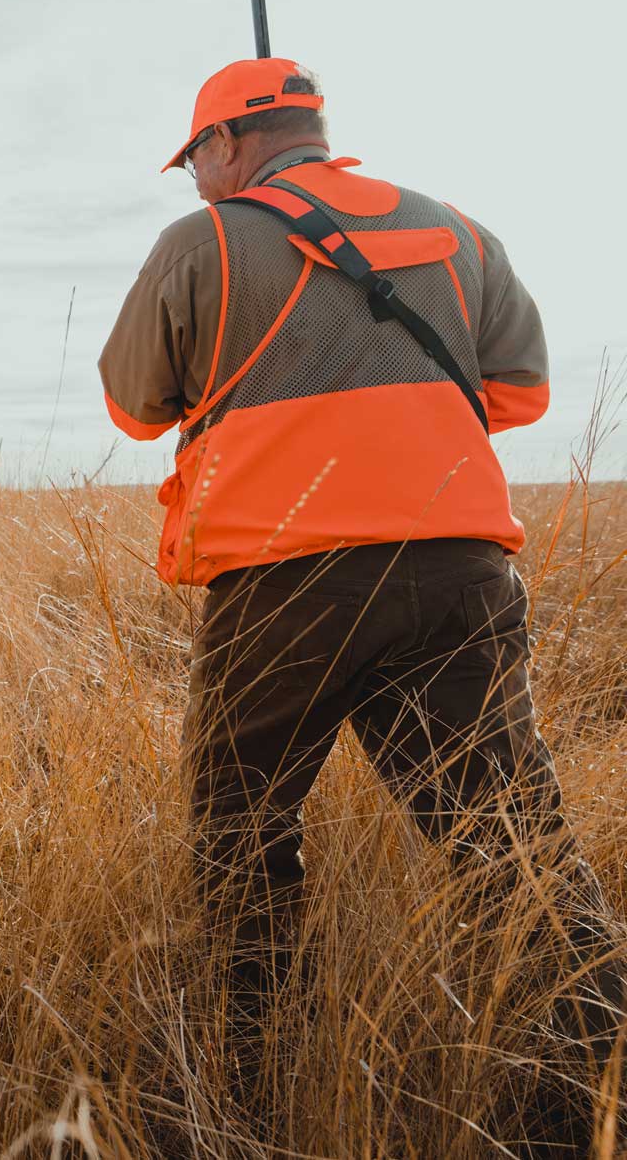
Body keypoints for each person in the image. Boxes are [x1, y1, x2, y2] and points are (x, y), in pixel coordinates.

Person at [99, 59, 621, 1131]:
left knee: (239, 834)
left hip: (281, 585)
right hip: (455, 576)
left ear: (226, 145)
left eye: (193, 155)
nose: (193, 176)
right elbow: (518, 393)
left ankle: (256, 1089)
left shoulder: (199, 243)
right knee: (507, 840)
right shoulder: (456, 231)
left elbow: (131, 404)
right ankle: (597, 1079)